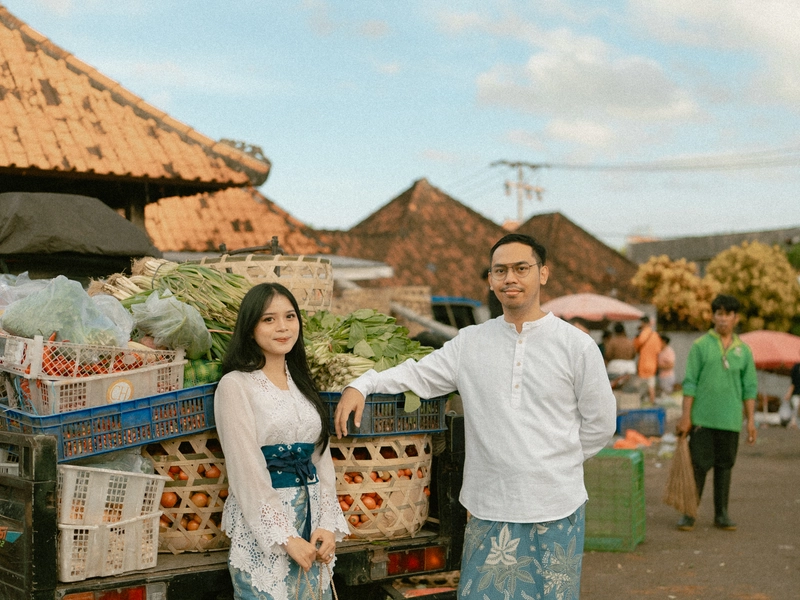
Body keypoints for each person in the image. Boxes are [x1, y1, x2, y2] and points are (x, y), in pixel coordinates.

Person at [334, 233, 616, 600]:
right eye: (500, 270)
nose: (510, 278)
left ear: (543, 274)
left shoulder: (575, 346)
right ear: (490, 279)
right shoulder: (471, 343)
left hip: (556, 508)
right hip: (490, 507)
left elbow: (601, 423)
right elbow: (418, 375)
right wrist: (363, 384)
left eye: (521, 268)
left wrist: (555, 462)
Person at [214, 283, 349, 599]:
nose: (283, 327)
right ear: (250, 328)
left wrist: (327, 524)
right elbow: (246, 471)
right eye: (269, 319)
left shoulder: (302, 384)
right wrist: (286, 537)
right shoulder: (236, 386)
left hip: (313, 524)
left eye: (290, 316)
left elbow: (321, 460)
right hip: (268, 531)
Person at [676, 294, 758, 532]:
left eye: (728, 314)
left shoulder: (744, 350)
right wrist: (686, 417)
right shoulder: (700, 345)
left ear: (736, 318)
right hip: (702, 419)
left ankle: (721, 514)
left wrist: (750, 420)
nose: (723, 319)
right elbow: (689, 382)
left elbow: (749, 388)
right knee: (698, 467)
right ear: (713, 316)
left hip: (731, 420)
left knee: (725, 467)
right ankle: (689, 514)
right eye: (719, 314)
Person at [634, 316, 662, 404]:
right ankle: (652, 401)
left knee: (640, 385)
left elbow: (636, 346)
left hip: (642, 363)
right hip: (652, 364)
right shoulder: (655, 335)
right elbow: (658, 350)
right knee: (651, 385)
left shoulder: (642, 334)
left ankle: (638, 402)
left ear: (642, 323)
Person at [780, 362, 800, 428]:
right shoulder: (796, 367)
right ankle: (794, 422)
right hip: (796, 393)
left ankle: (794, 422)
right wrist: (789, 393)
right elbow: (793, 383)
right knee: (796, 406)